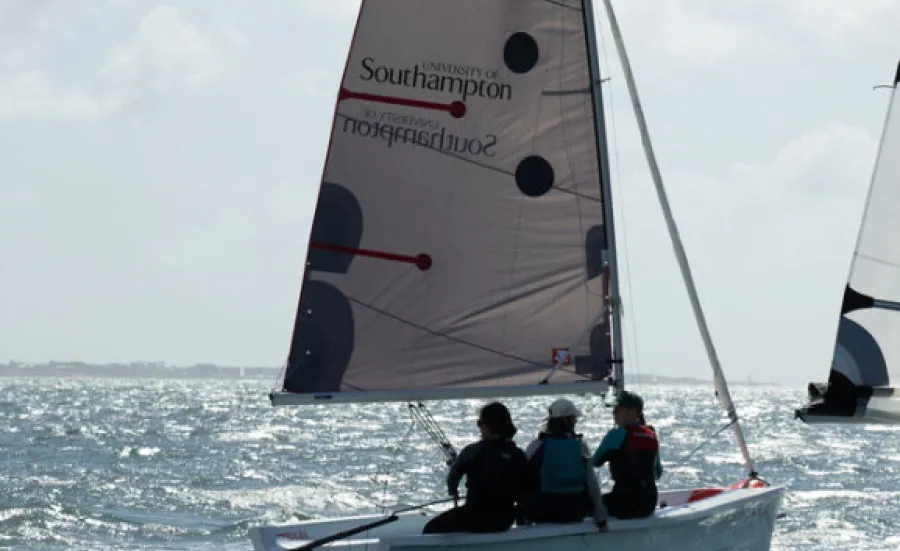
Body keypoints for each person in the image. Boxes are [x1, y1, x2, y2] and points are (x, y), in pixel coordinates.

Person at [422, 401, 527, 534]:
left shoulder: (473, 451)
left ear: (486, 426)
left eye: (480, 423)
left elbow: (453, 479)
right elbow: (525, 488)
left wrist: (453, 491)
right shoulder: (518, 455)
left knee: (431, 528)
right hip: (505, 519)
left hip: (475, 517)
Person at [520, 398, 608, 531]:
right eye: (573, 419)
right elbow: (592, 483)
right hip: (575, 512)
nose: (576, 422)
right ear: (567, 421)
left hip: (544, 511)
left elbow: (522, 475)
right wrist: (600, 517)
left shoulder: (538, 445)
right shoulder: (580, 446)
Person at [590, 390, 663, 519]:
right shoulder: (651, 434)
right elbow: (657, 473)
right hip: (649, 502)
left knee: (587, 505)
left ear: (632, 411)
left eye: (618, 409)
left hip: (624, 503)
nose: (614, 412)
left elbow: (595, 462)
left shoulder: (617, 434)